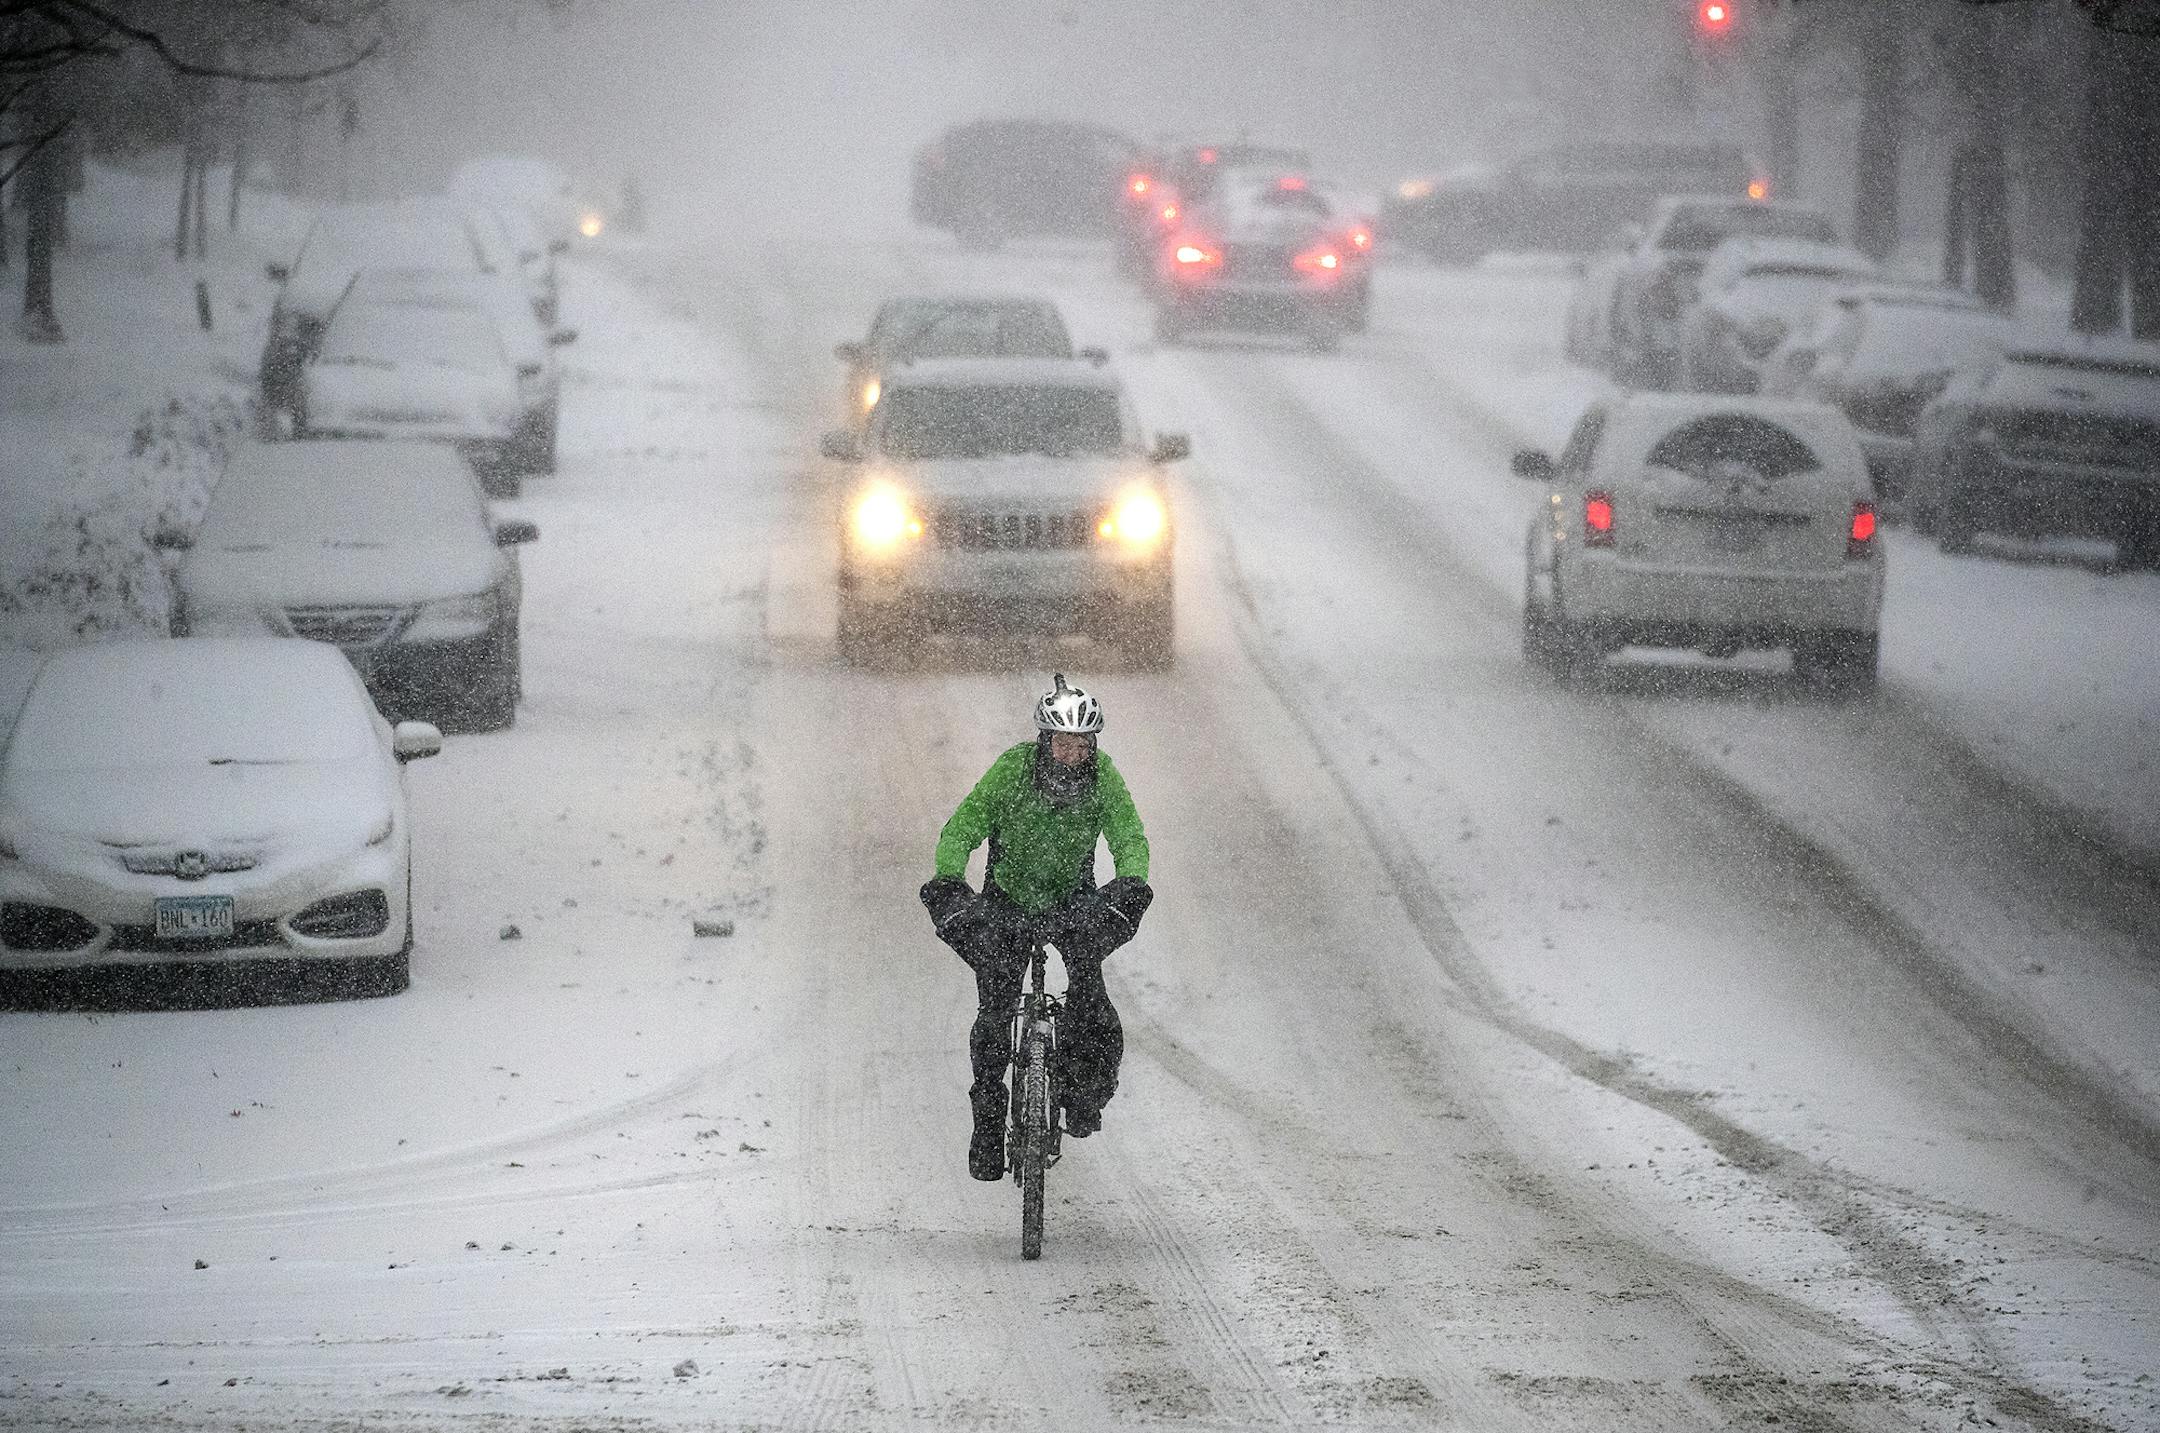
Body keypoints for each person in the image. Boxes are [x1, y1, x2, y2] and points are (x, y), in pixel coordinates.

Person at [920, 675, 1154, 1181]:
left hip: (1072, 901)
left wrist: (1132, 880)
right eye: (1063, 742)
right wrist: (949, 877)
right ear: (1045, 740)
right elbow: (963, 827)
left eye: (1082, 744)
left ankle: (1081, 1097)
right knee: (994, 1015)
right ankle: (987, 1122)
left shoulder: (1104, 778)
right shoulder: (1012, 771)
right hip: (1007, 900)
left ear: (1093, 746)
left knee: (1091, 1003)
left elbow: (1128, 835)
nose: (1072, 753)